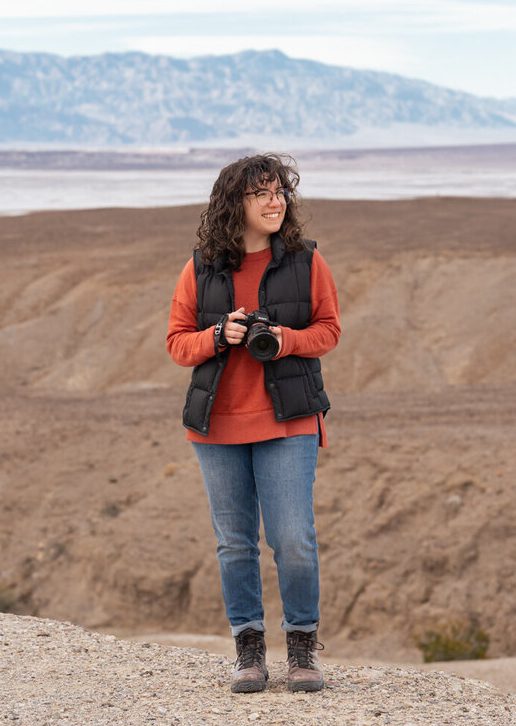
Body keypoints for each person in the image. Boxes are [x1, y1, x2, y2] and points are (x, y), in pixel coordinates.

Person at [166, 153, 341, 693]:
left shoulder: (307, 262)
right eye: (261, 193)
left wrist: (284, 339)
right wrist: (221, 336)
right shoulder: (200, 267)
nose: (274, 201)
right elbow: (177, 344)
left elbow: (329, 330)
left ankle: (303, 650)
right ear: (233, 204)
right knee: (235, 542)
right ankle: (248, 651)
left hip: (288, 421)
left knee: (293, 539)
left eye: (280, 192)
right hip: (217, 427)